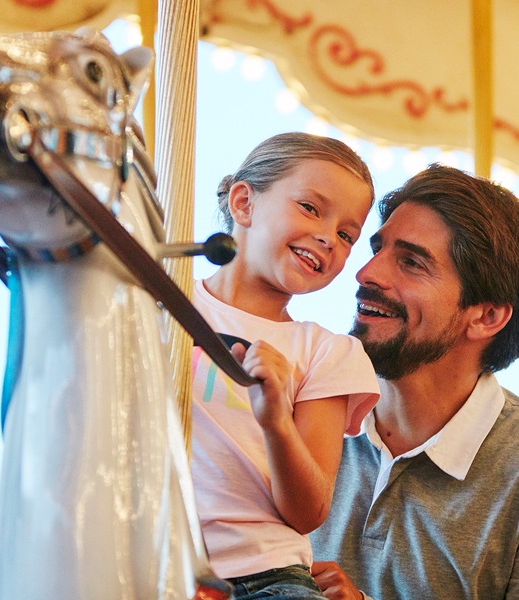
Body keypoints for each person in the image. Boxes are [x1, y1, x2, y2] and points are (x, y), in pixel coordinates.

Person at [309, 165, 519, 600]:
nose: (367, 273)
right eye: (377, 250)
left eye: (410, 262)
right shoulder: (306, 407)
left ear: (486, 316)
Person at [190, 132, 382, 599]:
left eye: (346, 235)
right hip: (150, 548)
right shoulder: (158, 304)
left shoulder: (326, 352)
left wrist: (276, 420)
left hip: (264, 575)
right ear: (243, 203)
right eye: (311, 208)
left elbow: (308, 512)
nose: (326, 236)